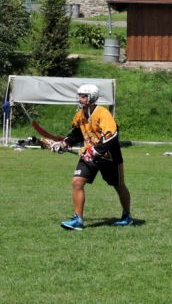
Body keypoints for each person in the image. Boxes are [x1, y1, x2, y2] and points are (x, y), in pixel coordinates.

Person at [55, 84, 132, 230]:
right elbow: (77, 132)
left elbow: (112, 136)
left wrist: (97, 150)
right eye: (80, 96)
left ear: (92, 97)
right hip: (89, 156)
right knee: (77, 182)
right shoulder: (80, 114)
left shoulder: (103, 113)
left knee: (119, 185)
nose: (80, 99)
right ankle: (78, 220)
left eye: (83, 96)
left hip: (109, 157)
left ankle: (127, 215)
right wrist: (66, 142)